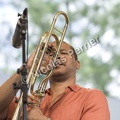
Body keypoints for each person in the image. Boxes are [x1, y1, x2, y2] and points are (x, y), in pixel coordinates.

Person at [0, 41, 110, 120]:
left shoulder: (92, 97)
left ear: (77, 64)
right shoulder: (28, 101)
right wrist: (27, 67)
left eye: (63, 53)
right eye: (51, 55)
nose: (57, 57)